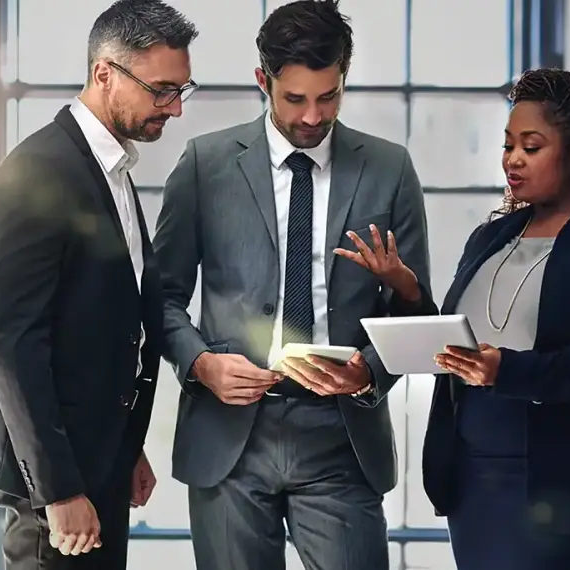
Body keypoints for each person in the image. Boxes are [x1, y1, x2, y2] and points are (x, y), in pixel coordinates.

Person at [336, 67, 570, 570]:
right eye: (508, 145)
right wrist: (407, 288)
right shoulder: (491, 237)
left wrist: (509, 370)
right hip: (472, 477)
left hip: (568, 481)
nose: (512, 159)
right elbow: (453, 347)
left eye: (531, 147)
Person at [152, 1, 430, 568]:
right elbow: (161, 297)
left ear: (344, 78)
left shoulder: (390, 168)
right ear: (264, 81)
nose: (312, 116)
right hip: (229, 434)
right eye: (295, 98)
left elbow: (416, 308)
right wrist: (201, 363)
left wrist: (370, 371)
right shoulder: (205, 164)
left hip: (341, 435)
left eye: (328, 97)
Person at [0, 1, 198, 568]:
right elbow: (12, 343)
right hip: (54, 480)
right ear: (104, 73)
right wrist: (58, 489)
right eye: (161, 91)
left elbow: (109, 322)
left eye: (181, 91)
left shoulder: (110, 170)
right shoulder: (35, 173)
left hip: (100, 459)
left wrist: (126, 445)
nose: (174, 108)